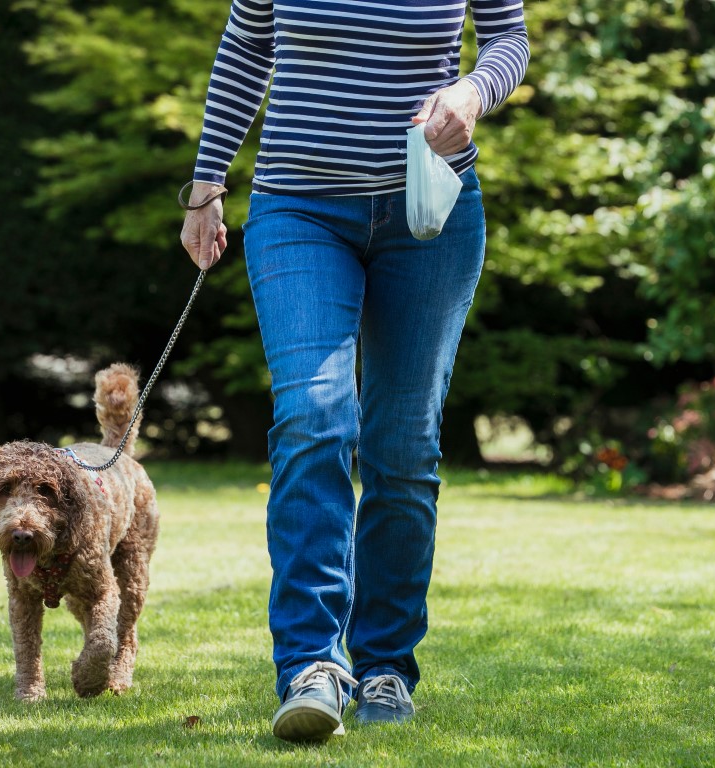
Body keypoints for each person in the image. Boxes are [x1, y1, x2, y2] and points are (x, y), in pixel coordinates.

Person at [180, 0, 529, 744]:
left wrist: (471, 91)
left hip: (430, 212)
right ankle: (311, 664)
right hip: (299, 206)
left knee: (403, 446)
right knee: (314, 415)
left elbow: (509, 37)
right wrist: (207, 184)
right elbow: (247, 47)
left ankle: (385, 668)